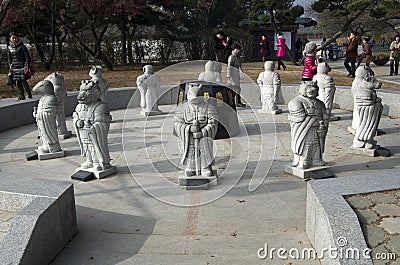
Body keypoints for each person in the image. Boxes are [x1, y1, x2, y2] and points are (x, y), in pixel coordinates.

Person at [8, 32, 32, 100]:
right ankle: (22, 95)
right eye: (13, 38)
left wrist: (27, 63)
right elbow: (9, 58)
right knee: (18, 81)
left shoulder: (22, 46)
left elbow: (27, 56)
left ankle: (29, 94)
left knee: (23, 80)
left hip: (22, 66)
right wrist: (10, 66)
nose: (15, 39)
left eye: (16, 37)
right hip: (14, 67)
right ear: (10, 39)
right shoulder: (9, 48)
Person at [227, 42, 246, 107]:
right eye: (237, 49)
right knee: (234, 89)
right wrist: (229, 75)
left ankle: (238, 101)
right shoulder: (231, 57)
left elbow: (239, 66)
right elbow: (229, 67)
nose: (238, 51)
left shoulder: (238, 57)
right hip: (232, 75)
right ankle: (231, 101)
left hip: (237, 74)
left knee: (238, 89)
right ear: (234, 49)